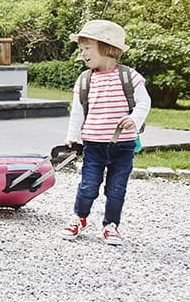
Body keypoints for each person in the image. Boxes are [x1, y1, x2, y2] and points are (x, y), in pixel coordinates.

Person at [59, 20, 151, 245]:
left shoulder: (129, 77)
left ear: (107, 48)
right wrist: (73, 136)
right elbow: (77, 111)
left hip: (123, 146)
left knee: (117, 189)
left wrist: (134, 119)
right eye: (81, 49)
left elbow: (144, 102)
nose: (82, 53)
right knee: (88, 186)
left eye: (87, 48)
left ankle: (111, 225)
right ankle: (79, 217)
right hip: (94, 145)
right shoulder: (85, 80)